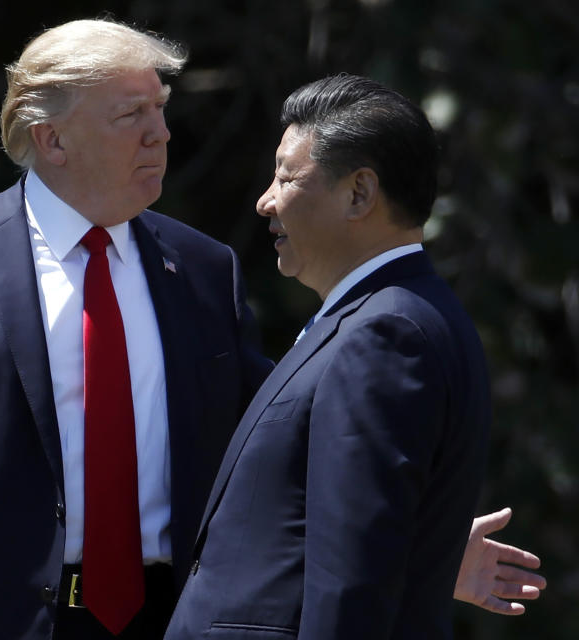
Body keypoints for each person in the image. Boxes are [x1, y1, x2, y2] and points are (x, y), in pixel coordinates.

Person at [0, 22, 542, 640]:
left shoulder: (200, 266)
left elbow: (277, 438)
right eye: (132, 116)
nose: (161, 136)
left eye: (161, 110)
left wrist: (416, 541)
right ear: (51, 140)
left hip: (160, 621)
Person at [165, 73, 530, 640]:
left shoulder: (384, 333)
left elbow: (353, 581)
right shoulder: (387, 318)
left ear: (359, 193)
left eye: (286, 178)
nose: (266, 201)